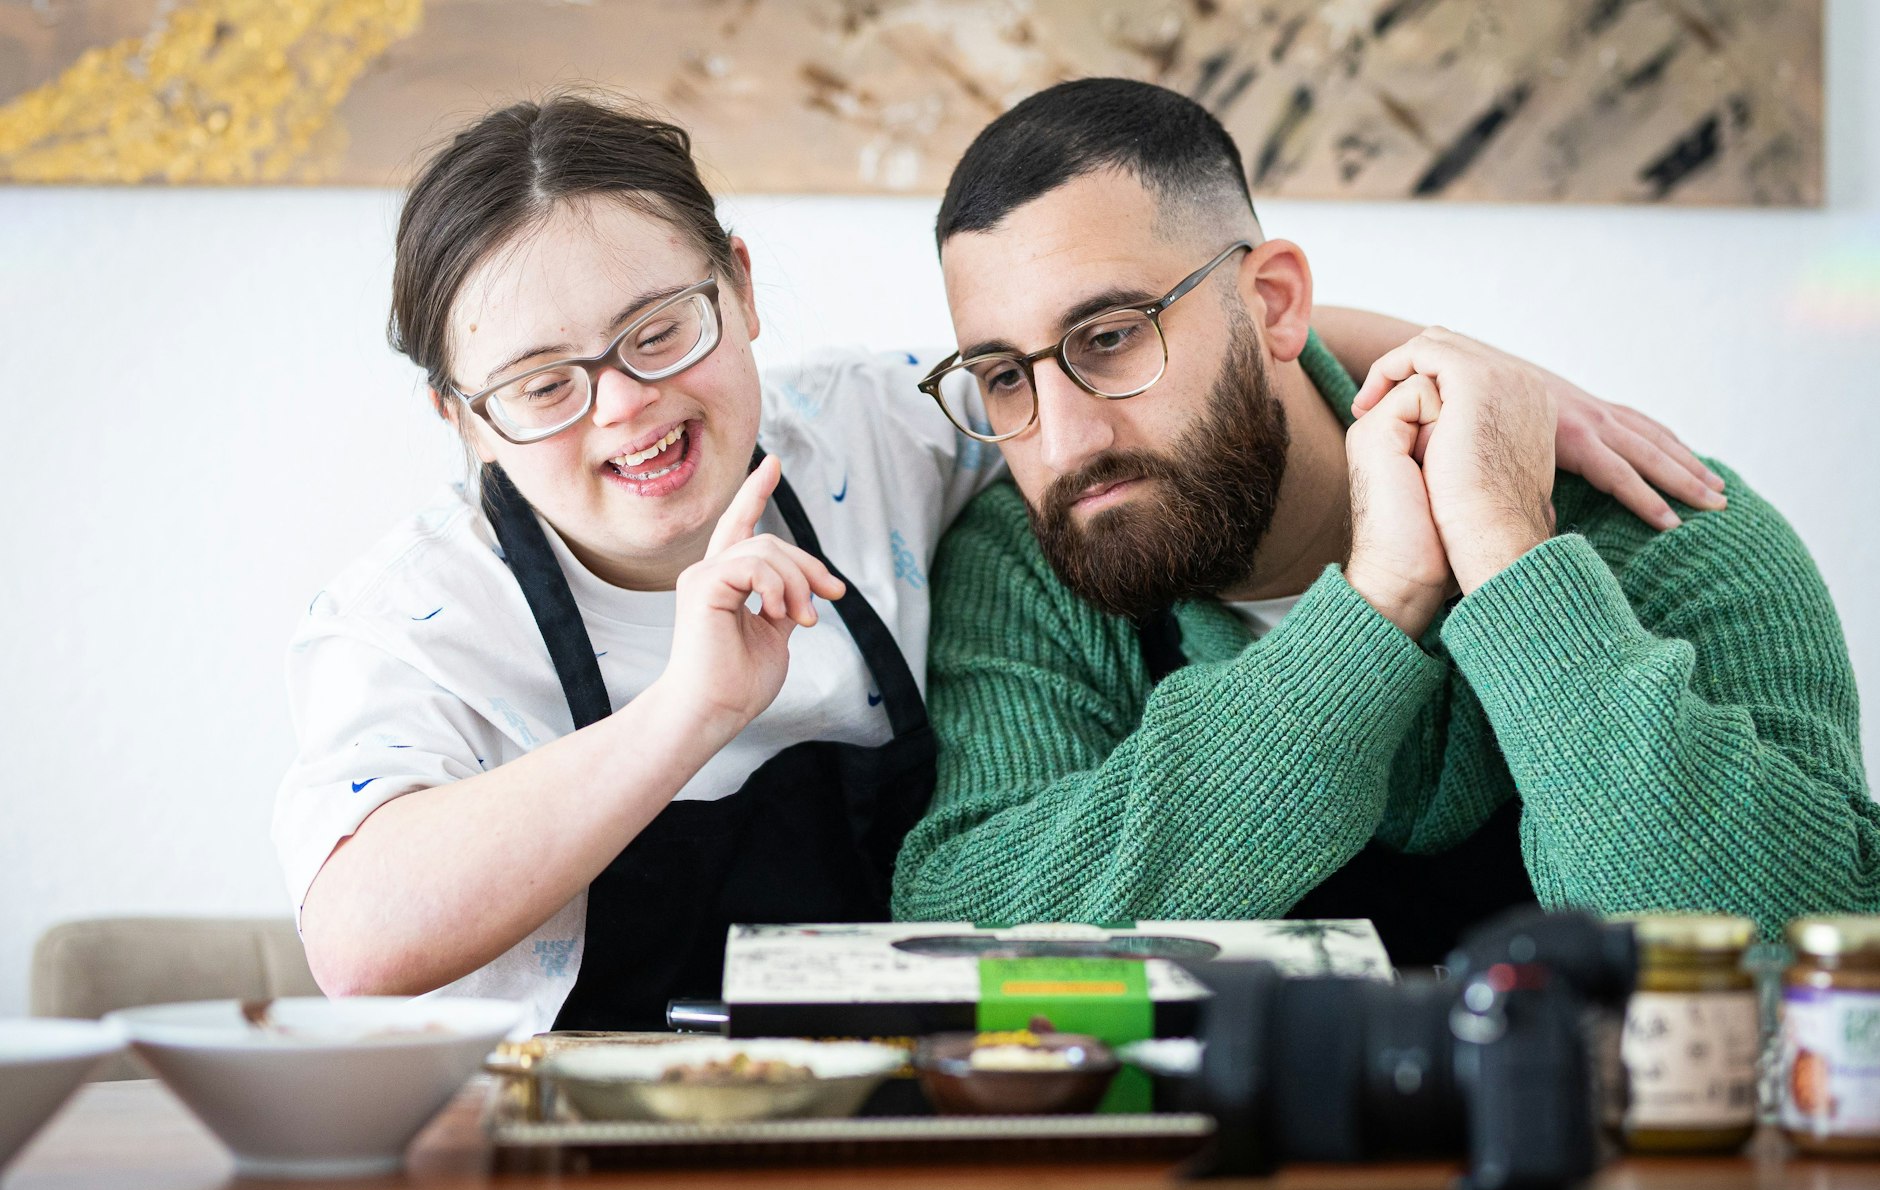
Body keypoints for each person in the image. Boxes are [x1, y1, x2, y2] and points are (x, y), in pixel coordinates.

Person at [271, 92, 1718, 1032]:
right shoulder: (419, 613)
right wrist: (684, 716)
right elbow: (358, 938)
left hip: (921, 1132)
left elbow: (1146, 345)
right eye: (540, 384)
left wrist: (1483, 377)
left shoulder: (871, 435)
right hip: (581, 1162)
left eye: (662, 331)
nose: (627, 405)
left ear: (745, 287)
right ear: (458, 420)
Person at [893, 78, 1878, 962]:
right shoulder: (1031, 565)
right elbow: (955, 938)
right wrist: (1369, 615)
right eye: (1003, 376)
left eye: (1107, 339)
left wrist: (1510, 564)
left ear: (1273, 304)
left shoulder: (1667, 526)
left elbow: (1806, 965)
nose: (1061, 443)